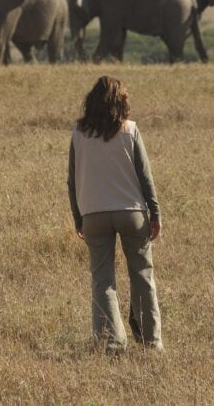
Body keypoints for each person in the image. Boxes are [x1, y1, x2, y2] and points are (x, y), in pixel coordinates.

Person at [68, 76, 163, 353]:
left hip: (93, 213)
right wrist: (155, 212)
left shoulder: (78, 132)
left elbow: (72, 181)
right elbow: (145, 177)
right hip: (132, 211)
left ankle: (111, 342)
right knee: (142, 276)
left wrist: (78, 217)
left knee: (102, 279)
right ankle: (151, 342)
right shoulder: (130, 130)